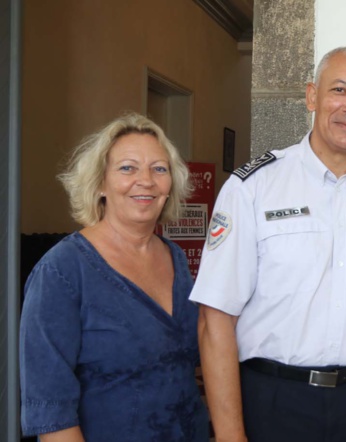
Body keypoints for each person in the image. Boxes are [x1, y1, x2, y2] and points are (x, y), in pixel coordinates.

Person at [190, 45, 346, 441]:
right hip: (272, 400)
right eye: (340, 90)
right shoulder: (253, 188)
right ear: (312, 95)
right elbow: (215, 320)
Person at [19, 113, 209, 441]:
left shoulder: (175, 257)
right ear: (101, 184)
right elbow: (51, 413)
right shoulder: (61, 271)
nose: (146, 180)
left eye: (159, 169)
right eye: (127, 168)